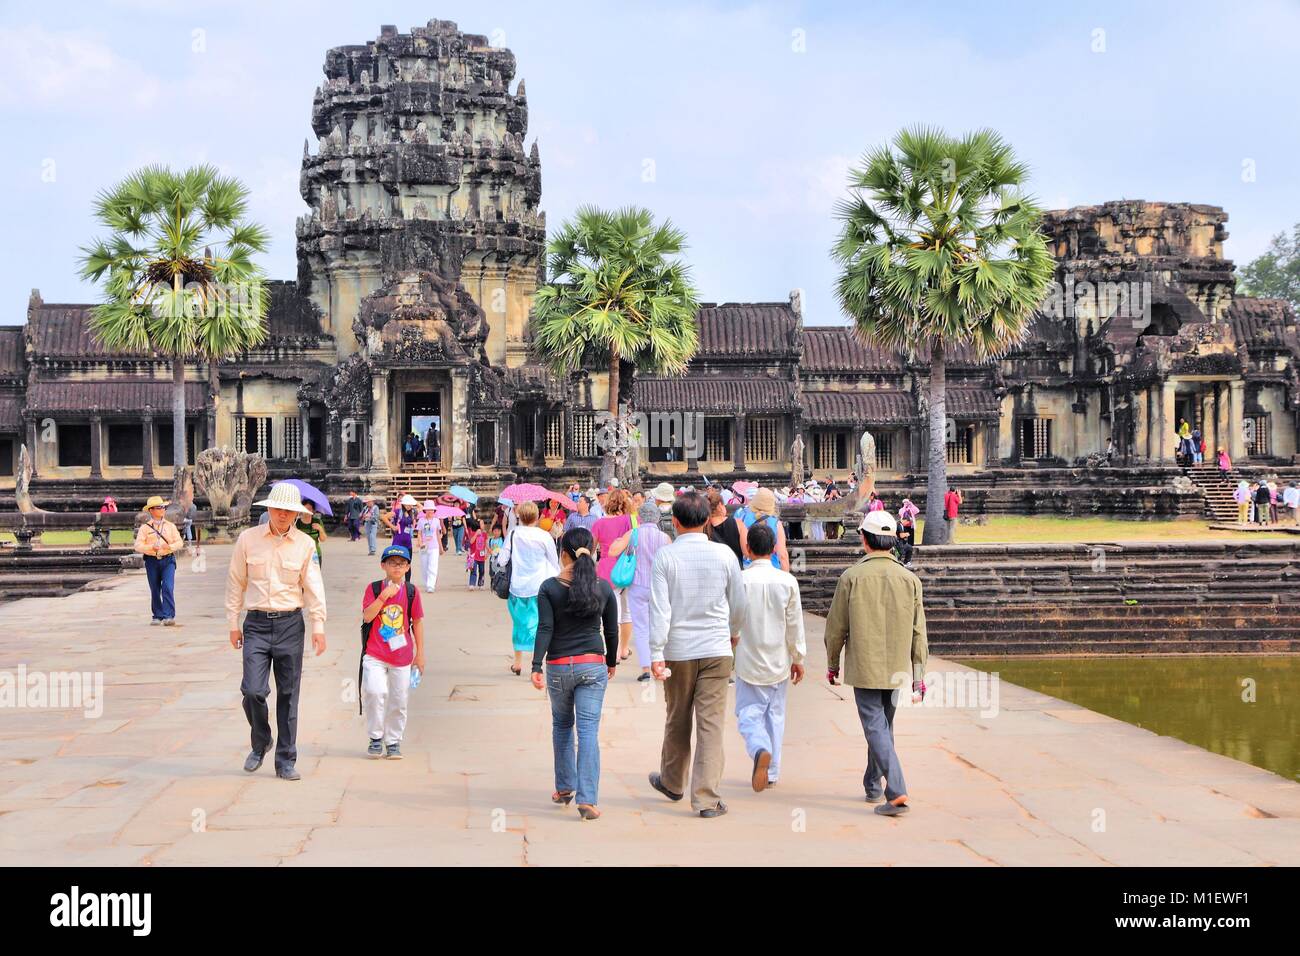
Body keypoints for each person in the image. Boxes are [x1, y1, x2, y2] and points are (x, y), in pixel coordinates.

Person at [647, 491, 748, 818]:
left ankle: (673, 782)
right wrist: (733, 632)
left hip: (677, 649)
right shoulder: (725, 556)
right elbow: (739, 603)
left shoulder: (666, 557)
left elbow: (659, 609)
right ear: (707, 521)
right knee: (711, 724)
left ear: (674, 522)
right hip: (717, 648)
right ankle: (705, 798)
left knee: (677, 717)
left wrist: (656, 651)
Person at [824, 510, 927, 816]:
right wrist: (919, 673)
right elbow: (918, 630)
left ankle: (895, 790)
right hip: (897, 666)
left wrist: (832, 663)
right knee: (882, 726)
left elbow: (836, 627)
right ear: (893, 541)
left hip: (865, 666)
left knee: (875, 726)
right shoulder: (910, 579)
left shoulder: (852, 577)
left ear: (865, 540)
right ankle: (872, 783)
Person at [225, 482, 327, 781]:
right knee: (253, 690)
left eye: (289, 511)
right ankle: (261, 740)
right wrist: (233, 622)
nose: (283, 515)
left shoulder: (305, 545)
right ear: (269, 509)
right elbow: (235, 583)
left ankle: (285, 760)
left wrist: (318, 626)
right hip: (255, 624)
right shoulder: (247, 540)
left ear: (296, 514)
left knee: (288, 695)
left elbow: (314, 588)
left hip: (290, 624)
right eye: (278, 509)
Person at [530, 527, 619, 820]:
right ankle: (588, 799)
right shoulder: (603, 587)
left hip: (557, 666)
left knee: (562, 725)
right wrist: (611, 662)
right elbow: (611, 630)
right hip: (593, 663)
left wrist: (535, 665)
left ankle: (565, 786)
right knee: (589, 731)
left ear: (563, 554)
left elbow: (545, 628)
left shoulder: (549, 588)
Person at [732, 522, 805, 792]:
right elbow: (795, 623)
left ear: (747, 549)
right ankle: (772, 770)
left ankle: (759, 747)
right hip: (778, 660)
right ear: (774, 549)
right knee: (775, 714)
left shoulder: (740, 579)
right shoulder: (787, 582)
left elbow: (733, 619)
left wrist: (730, 639)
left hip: (748, 658)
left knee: (748, 713)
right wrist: (798, 657)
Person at [360, 544, 425, 759]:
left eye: (401, 564)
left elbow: (417, 622)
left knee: (399, 700)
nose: (396, 567)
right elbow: (367, 617)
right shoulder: (374, 588)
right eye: (392, 563)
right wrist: (383, 597)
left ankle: (394, 740)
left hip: (402, 655)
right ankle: (376, 737)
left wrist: (420, 653)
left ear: (407, 567)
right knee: (375, 692)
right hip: (376, 653)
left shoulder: (411, 592)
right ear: (383, 566)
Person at [609, 501, 673, 681]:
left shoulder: (633, 533)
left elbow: (613, 552)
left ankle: (646, 668)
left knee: (642, 628)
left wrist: (618, 542)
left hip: (637, 585)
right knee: (660, 625)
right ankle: (660, 663)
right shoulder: (664, 538)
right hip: (659, 586)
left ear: (640, 517)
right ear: (657, 518)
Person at [499, 501, 560, 676]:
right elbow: (554, 562)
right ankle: (537, 663)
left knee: (519, 624)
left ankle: (517, 663)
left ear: (519, 516)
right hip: (539, 587)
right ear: (536, 516)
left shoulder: (513, 534)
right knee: (541, 625)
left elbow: (502, 560)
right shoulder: (544, 536)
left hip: (517, 586)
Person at [591, 488, 634, 661]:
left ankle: (613, 652)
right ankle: (624, 649)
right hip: (628, 567)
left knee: (611, 613)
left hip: (607, 569)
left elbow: (592, 549)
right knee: (628, 612)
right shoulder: (632, 520)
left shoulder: (599, 523)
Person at [134, 495, 183, 626]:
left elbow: (179, 542)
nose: (162, 510)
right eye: (159, 507)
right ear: (151, 510)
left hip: (168, 559)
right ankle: (158, 615)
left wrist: (170, 546)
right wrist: (150, 547)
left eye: (163, 507)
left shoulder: (170, 526)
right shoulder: (145, 528)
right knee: (155, 589)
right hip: (152, 560)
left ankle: (169, 615)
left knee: (167, 586)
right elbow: (138, 545)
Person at [736, 487, 790, 571]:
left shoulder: (742, 517)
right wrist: (786, 577)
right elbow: (782, 555)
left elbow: (742, 550)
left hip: (748, 568)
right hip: (772, 568)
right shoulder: (776, 523)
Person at [704, 487, 743, 567]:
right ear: (720, 505)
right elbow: (746, 551)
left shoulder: (703, 526)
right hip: (736, 567)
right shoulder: (737, 523)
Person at [415, 500, 444, 593]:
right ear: (425, 510)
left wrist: (441, 548)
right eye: (428, 509)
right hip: (424, 547)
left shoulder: (436, 521)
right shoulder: (421, 521)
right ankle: (427, 582)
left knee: (433, 566)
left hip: (434, 546)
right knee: (424, 566)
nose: (430, 511)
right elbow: (419, 533)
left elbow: (438, 534)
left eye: (432, 509)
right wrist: (420, 542)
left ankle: (431, 585)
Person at [297, 499, 327, 568]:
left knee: (315, 577)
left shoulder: (317, 522)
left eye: (309, 509)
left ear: (313, 511)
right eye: (305, 508)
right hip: (300, 555)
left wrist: (320, 529)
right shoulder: (297, 523)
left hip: (315, 555)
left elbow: (323, 539)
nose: (307, 511)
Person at [465, 516, 488, 588]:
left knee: (482, 571)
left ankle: (481, 584)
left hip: (481, 556)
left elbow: (486, 543)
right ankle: (472, 584)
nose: (483, 525)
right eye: (482, 524)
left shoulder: (484, 534)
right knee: (473, 570)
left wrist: (487, 552)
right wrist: (476, 534)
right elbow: (471, 542)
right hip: (474, 556)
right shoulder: (472, 533)